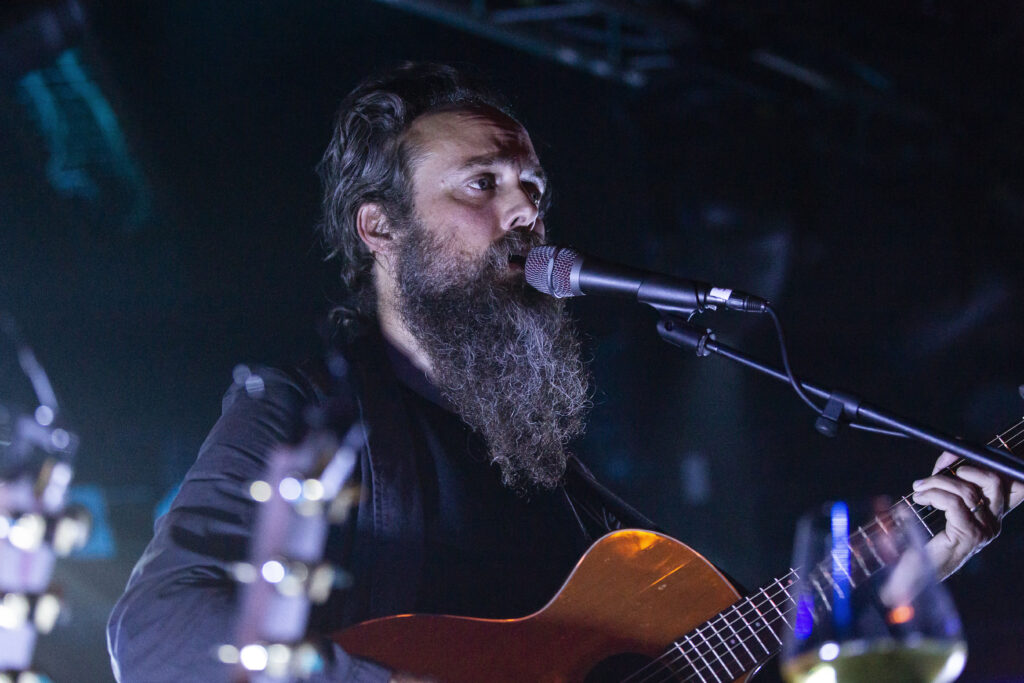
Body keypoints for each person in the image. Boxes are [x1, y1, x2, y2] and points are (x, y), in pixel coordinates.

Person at [106, 62, 1021, 682]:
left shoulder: (568, 487)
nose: (524, 213)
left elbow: (750, 651)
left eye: (533, 188)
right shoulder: (306, 410)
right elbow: (151, 631)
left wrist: (904, 577)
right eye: (483, 184)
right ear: (380, 228)